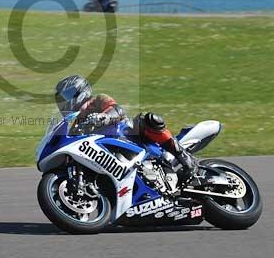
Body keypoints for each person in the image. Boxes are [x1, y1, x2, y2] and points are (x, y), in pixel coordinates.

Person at [53, 74, 197, 181]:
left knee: (146, 118)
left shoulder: (98, 100)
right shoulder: (75, 125)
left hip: (131, 138)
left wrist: (103, 117)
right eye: (60, 100)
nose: (63, 103)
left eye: (66, 97)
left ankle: (184, 157)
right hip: (110, 159)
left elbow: (117, 110)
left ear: (79, 91)